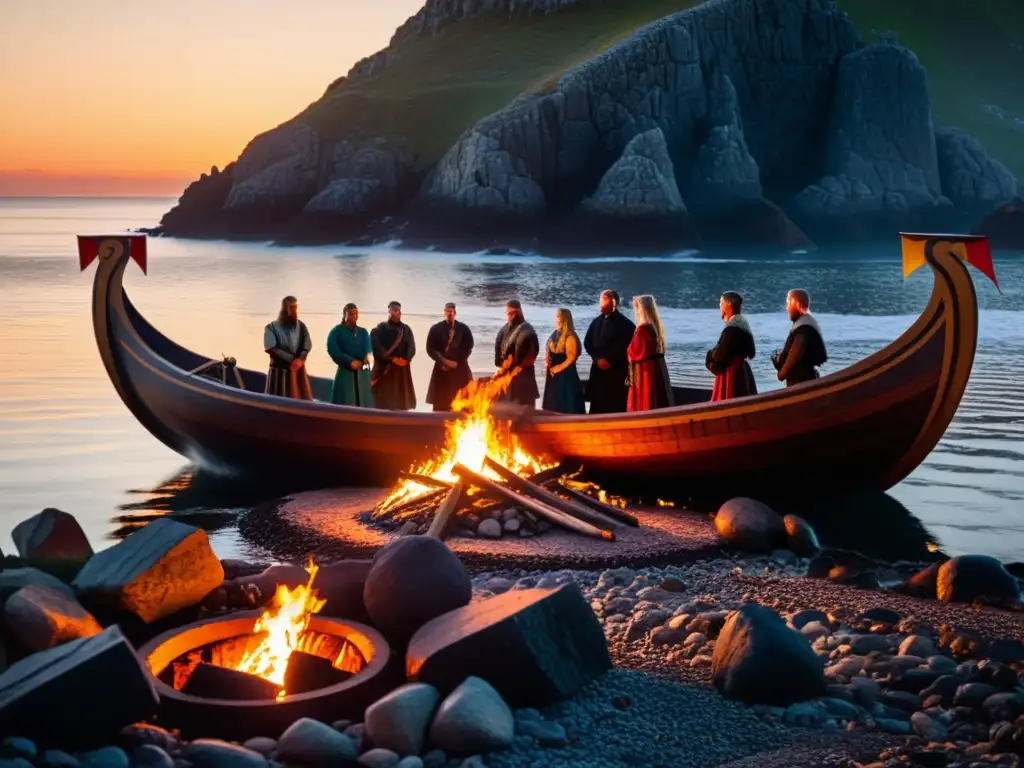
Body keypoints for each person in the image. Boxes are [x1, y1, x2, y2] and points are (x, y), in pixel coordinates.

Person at [583, 289, 636, 414]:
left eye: (604, 300)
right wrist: (597, 358)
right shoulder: (596, 322)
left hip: (615, 372)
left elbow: (627, 347)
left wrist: (609, 360)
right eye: (601, 300)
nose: (601, 304)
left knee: (614, 405)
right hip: (597, 370)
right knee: (596, 405)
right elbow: (587, 342)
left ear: (614, 302)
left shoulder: (626, 324)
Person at [705, 291, 757, 402]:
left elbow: (719, 356)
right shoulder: (743, 325)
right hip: (742, 372)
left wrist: (709, 357)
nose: (719, 306)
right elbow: (752, 353)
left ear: (727, 305)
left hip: (731, 376)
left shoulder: (732, 328)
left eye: (721, 303)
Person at [627, 295, 674, 412]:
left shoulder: (642, 330)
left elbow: (634, 352)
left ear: (641, 309)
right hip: (655, 368)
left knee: (646, 399)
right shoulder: (655, 327)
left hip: (644, 371)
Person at [772, 289, 828, 386]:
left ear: (796, 304)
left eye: (788, 303)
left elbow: (795, 353)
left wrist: (782, 374)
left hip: (800, 381)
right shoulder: (806, 322)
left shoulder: (803, 327)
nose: (787, 308)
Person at [425, 302, 475, 411]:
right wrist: (442, 361)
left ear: (455, 313)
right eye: (447, 311)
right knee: (441, 402)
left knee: (462, 401)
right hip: (442, 369)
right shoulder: (436, 329)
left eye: (451, 312)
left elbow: (468, 347)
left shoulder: (463, 329)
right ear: (444, 312)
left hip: (459, 368)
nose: (449, 314)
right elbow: (430, 348)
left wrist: (457, 362)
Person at [263, 295, 312, 400]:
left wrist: (300, 360)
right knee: (275, 400)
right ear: (284, 309)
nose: (294, 311)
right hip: (278, 373)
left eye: (295, 308)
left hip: (298, 370)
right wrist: (292, 360)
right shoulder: (271, 328)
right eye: (291, 308)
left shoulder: (302, 326)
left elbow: (306, 346)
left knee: (301, 398)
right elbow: (271, 347)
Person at [370, 301, 417, 410]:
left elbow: (411, 347)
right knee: (384, 400)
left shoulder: (406, 330)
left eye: (399, 310)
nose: (397, 313)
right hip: (386, 369)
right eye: (395, 310)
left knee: (402, 400)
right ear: (389, 312)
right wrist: (392, 359)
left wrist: (406, 360)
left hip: (402, 370)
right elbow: (377, 348)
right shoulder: (380, 329)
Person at [494, 299, 540, 408]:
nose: (510, 316)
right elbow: (497, 357)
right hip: (506, 378)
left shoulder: (528, 330)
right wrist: (502, 365)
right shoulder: (503, 330)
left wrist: (512, 363)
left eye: (512, 313)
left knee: (524, 409)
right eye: (508, 313)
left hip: (523, 376)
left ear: (519, 312)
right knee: (504, 411)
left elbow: (533, 353)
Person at [326, 303, 373, 407]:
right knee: (345, 400)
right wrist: (349, 361)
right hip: (345, 371)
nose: (353, 316)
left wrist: (366, 360)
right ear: (345, 315)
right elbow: (333, 349)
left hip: (362, 372)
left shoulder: (363, 332)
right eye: (350, 314)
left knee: (364, 401)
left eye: (355, 314)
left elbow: (368, 350)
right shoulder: (337, 331)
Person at [543, 308, 585, 414]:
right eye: (556, 317)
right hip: (553, 376)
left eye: (558, 317)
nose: (556, 319)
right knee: (552, 403)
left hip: (565, 376)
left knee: (566, 404)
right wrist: (547, 357)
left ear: (565, 319)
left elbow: (571, 357)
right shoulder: (555, 333)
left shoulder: (571, 337)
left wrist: (557, 368)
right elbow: (548, 345)